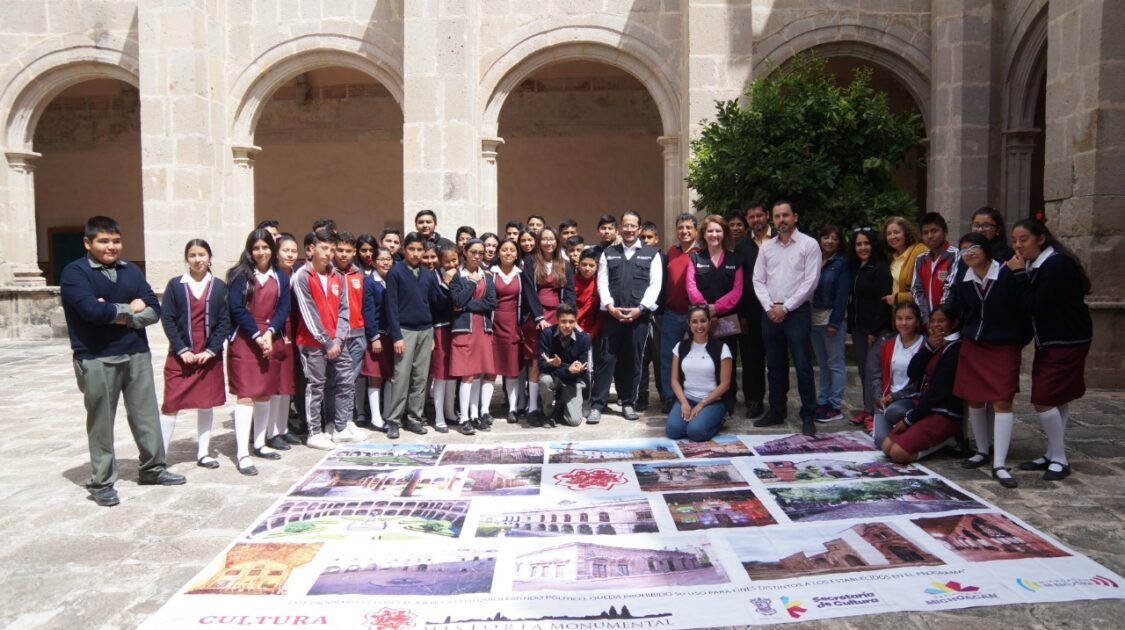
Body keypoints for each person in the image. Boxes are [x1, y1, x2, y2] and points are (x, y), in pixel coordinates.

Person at [61, 216, 184, 506]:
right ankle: (102, 482)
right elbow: (92, 312)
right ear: (88, 243)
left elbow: (154, 309)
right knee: (101, 422)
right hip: (96, 357)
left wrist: (115, 313)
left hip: (136, 352)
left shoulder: (130, 270)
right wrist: (131, 309)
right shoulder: (74, 273)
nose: (111, 247)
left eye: (116, 241)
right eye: (104, 241)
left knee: (146, 415)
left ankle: (153, 469)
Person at [1010, 219, 1093, 482]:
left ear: (1041, 238)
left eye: (1024, 239)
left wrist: (1018, 274)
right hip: (1052, 339)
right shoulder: (1038, 263)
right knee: (1058, 397)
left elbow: (1036, 305)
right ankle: (1051, 453)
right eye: (1015, 240)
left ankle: (1059, 458)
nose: (1018, 245)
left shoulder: (1055, 265)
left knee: (1043, 398)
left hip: (1066, 339)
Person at [948, 232, 1030, 488]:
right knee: (974, 398)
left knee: (1002, 400)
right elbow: (961, 310)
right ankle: (982, 450)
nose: (969, 253)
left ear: (985, 248)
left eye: (974, 247)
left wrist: (1019, 338)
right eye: (964, 250)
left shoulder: (1006, 273)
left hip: (1004, 345)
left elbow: (1025, 306)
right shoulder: (964, 279)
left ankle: (1000, 463)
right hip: (974, 344)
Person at [158, 239, 229, 468]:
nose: (198, 259)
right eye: (192, 255)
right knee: (170, 404)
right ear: (186, 258)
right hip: (180, 354)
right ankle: (159, 456)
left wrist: (211, 349)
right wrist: (182, 349)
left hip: (208, 355)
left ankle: (203, 452)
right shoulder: (175, 285)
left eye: (202, 254)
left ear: (210, 257)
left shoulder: (219, 286)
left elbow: (225, 321)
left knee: (206, 403)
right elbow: (167, 318)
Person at [751, 201, 820, 436]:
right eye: (777, 216)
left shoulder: (809, 245)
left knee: (802, 364)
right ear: (773, 220)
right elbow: (758, 279)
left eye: (785, 215)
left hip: (796, 313)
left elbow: (810, 282)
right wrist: (770, 307)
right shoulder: (767, 248)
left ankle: (808, 414)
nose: (782, 220)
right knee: (774, 364)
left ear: (795, 217)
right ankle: (777, 410)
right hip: (770, 312)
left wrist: (786, 307)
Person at [226, 228, 291, 474]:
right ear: (249, 251)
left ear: (272, 250)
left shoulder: (280, 276)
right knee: (245, 395)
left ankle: (260, 443)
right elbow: (236, 308)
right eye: (256, 248)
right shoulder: (239, 275)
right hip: (245, 339)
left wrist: (270, 332)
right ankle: (242, 453)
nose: (261, 252)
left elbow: (283, 307)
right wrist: (256, 334)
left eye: (265, 247)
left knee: (265, 393)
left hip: (269, 337)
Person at [590, 210, 663, 423]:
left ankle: (629, 402)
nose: (629, 229)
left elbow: (655, 285)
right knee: (606, 359)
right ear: (620, 228)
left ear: (639, 229)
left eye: (633, 226)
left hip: (638, 317)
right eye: (626, 225)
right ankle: (597, 404)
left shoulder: (652, 254)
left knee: (633, 360)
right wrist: (610, 307)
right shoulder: (609, 253)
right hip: (612, 316)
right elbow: (602, 283)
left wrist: (641, 308)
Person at [293, 230, 358, 450]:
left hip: (338, 342)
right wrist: (327, 341)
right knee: (316, 386)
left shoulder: (337, 276)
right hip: (313, 343)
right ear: (311, 249)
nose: (329, 253)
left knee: (345, 381)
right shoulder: (302, 276)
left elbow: (344, 310)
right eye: (324, 248)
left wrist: (338, 339)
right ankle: (314, 432)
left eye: (332, 249)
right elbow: (308, 313)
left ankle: (340, 427)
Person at [882, 304, 964, 463]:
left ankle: (949, 441)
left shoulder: (954, 348)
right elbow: (913, 372)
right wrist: (928, 347)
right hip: (925, 407)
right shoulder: (934, 343)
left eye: (941, 321)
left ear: (954, 323)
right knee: (886, 447)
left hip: (943, 412)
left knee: (898, 454)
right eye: (933, 321)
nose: (936, 325)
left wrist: (909, 420)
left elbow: (937, 393)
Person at [385, 232, 444, 435]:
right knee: (401, 376)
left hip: (425, 330)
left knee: (420, 377)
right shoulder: (396, 272)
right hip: (405, 331)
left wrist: (448, 282)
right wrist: (397, 336)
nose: (416, 253)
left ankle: (415, 417)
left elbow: (436, 303)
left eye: (419, 250)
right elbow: (391, 306)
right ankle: (394, 420)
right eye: (412, 249)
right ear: (404, 249)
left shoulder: (428, 274)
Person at [686, 215, 743, 406]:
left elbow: (737, 290)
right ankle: (704, 398)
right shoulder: (695, 258)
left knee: (727, 358)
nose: (714, 234)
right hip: (701, 321)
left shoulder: (735, 259)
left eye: (718, 230)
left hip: (727, 320)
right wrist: (706, 311)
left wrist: (716, 308)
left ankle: (728, 401)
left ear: (724, 233)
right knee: (704, 360)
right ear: (704, 234)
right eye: (710, 230)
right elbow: (691, 287)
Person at [522, 227, 575, 426]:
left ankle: (555, 406)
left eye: (551, 239)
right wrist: (538, 317)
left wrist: (569, 318)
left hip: (558, 316)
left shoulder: (564, 264)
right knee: (537, 361)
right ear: (539, 242)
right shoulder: (530, 262)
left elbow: (569, 292)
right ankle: (532, 408)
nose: (548, 242)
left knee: (559, 358)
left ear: (557, 241)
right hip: (538, 317)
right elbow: (529, 290)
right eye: (544, 239)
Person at [846, 227, 893, 429]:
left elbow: (883, 302)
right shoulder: (856, 267)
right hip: (858, 328)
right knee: (863, 370)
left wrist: (874, 331)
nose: (863, 248)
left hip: (876, 329)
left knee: (873, 371)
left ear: (873, 245)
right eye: (859, 244)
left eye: (866, 243)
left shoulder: (880, 267)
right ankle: (867, 410)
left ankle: (875, 413)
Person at [666, 304, 734, 442]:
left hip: (712, 401)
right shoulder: (680, 347)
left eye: (703, 321)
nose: (699, 326)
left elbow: (725, 385)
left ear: (709, 322)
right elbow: (674, 380)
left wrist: (701, 404)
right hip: (688, 399)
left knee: (695, 432)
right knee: (673, 431)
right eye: (694, 322)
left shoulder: (722, 348)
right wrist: (684, 403)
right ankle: (697, 421)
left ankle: (719, 420)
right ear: (689, 324)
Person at [809, 225, 851, 423]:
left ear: (840, 242)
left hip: (831, 319)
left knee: (835, 364)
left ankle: (835, 406)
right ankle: (823, 401)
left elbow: (842, 296)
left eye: (835, 238)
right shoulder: (814, 259)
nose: (829, 241)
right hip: (814, 318)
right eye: (826, 237)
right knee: (823, 364)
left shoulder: (842, 263)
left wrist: (834, 323)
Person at [660, 213, 700, 414]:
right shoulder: (672, 251)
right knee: (668, 357)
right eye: (680, 228)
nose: (684, 231)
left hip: (695, 314)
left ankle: (696, 396)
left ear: (696, 231)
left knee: (698, 357)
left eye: (688, 227)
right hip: (672, 313)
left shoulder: (702, 252)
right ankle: (669, 397)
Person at [869, 301, 926, 446]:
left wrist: (895, 396)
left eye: (909, 318)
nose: (904, 323)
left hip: (909, 399)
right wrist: (880, 397)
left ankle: (910, 430)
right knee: (880, 441)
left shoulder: (925, 345)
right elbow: (876, 374)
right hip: (886, 400)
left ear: (917, 321)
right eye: (899, 318)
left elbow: (921, 382)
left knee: (895, 412)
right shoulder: (887, 343)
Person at [329, 232, 367, 432]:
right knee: (335, 381)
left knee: (351, 379)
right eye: (340, 250)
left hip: (358, 334)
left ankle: (347, 419)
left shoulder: (359, 274)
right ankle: (333, 421)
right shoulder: (328, 273)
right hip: (336, 337)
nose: (344, 254)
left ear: (354, 252)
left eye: (348, 251)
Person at [738, 202, 771, 419]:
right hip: (751, 311)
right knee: (751, 359)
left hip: (777, 310)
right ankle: (754, 400)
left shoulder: (779, 240)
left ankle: (777, 401)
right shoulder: (742, 246)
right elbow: (739, 283)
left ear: (767, 215)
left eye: (759, 215)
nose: (756, 220)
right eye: (751, 217)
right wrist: (741, 315)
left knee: (777, 358)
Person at [360, 246, 397, 438]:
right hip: (377, 335)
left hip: (392, 335)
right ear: (373, 262)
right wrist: (374, 336)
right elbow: (367, 311)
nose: (385, 262)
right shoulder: (369, 282)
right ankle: (375, 418)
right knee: (375, 376)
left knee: (390, 375)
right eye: (381, 259)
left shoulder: (393, 279)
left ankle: (388, 414)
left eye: (388, 259)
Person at [491, 239, 528, 423]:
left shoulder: (521, 275)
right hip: (493, 326)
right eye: (504, 249)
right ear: (498, 253)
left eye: (512, 250)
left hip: (513, 325)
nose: (508, 253)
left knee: (512, 369)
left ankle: (513, 408)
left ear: (517, 254)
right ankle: (484, 409)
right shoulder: (490, 274)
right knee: (490, 370)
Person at [537, 303, 591, 427]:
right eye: (563, 321)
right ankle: (548, 412)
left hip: (572, 380)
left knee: (574, 421)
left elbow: (583, 371)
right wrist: (567, 368)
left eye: (571, 322)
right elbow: (541, 365)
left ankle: (561, 406)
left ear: (576, 321)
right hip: (553, 377)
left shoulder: (583, 338)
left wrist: (563, 368)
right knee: (545, 380)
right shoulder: (547, 334)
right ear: (557, 320)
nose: (567, 325)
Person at [274, 233, 304, 447]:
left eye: (294, 251)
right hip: (277, 331)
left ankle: (283, 426)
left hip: (295, 331)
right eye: (286, 250)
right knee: (274, 382)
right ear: (277, 253)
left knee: (288, 381)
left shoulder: (298, 274)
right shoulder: (272, 276)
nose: (291, 255)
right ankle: (270, 429)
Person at [430, 247, 461, 433]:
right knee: (440, 375)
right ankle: (439, 416)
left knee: (453, 372)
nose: (451, 264)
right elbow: (436, 305)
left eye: (454, 260)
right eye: (447, 261)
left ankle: (450, 412)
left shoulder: (462, 273)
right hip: (440, 328)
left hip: (457, 328)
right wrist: (446, 283)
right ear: (440, 262)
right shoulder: (433, 277)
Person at [637, 221, 665, 412]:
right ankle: (641, 396)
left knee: (659, 356)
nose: (646, 240)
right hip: (639, 314)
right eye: (643, 237)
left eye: (649, 237)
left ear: (656, 239)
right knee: (640, 357)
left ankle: (664, 394)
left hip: (658, 315)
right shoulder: (635, 258)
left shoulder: (663, 259)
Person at [910, 212, 958, 323]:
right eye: (925, 233)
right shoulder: (920, 259)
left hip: (948, 321)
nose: (930, 236)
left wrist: (938, 320)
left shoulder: (955, 255)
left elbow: (950, 288)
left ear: (945, 232)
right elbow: (917, 290)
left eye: (934, 231)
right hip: (926, 322)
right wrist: (926, 319)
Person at [574, 247, 603, 418]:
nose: (587, 268)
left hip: (590, 332)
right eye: (584, 264)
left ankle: (587, 400)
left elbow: (601, 313)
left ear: (597, 266)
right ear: (578, 264)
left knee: (588, 369)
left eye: (591, 265)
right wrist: (574, 327)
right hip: (571, 328)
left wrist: (591, 334)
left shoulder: (600, 283)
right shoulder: (570, 281)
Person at [882, 216, 928, 308]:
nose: (892, 236)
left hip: (915, 312)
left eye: (896, 232)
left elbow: (927, 289)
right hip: (897, 312)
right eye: (889, 234)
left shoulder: (920, 251)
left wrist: (897, 298)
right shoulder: (892, 258)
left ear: (906, 233)